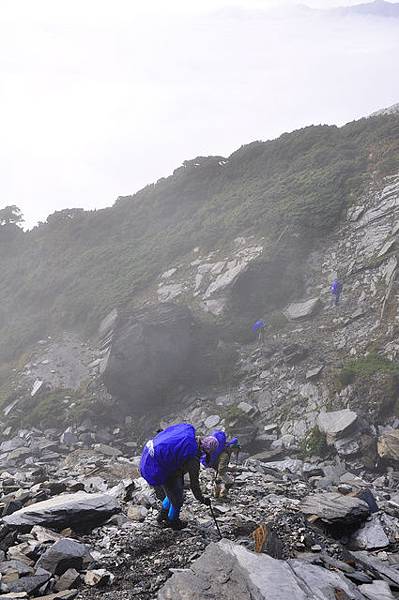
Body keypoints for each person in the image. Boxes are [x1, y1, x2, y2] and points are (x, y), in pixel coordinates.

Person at [140, 423, 218, 530]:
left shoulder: (189, 440)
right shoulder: (193, 458)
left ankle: (162, 516)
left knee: (170, 494)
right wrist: (203, 500)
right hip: (169, 473)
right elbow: (194, 485)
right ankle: (173, 522)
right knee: (177, 501)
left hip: (161, 467)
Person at [201, 430, 240, 499]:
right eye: (237, 449)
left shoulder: (224, 450)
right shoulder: (226, 454)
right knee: (229, 482)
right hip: (219, 470)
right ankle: (222, 495)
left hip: (215, 468)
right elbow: (221, 469)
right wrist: (231, 469)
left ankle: (216, 494)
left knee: (218, 480)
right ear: (234, 448)